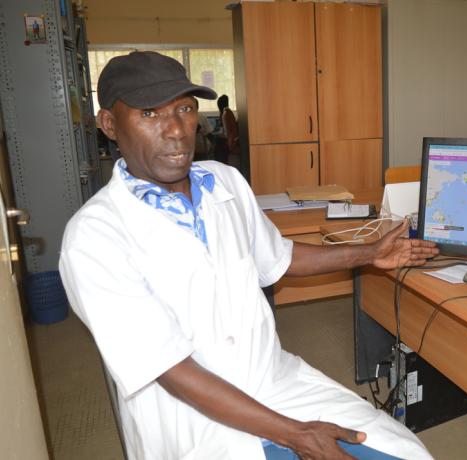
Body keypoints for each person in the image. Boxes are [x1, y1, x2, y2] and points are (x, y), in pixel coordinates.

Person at [59, 51, 438, 460]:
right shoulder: (94, 236)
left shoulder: (225, 182)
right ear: (110, 125)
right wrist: (296, 435)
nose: (176, 130)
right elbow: (171, 370)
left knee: (409, 452)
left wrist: (370, 253)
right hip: (190, 422)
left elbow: (281, 258)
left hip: (274, 384)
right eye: (149, 114)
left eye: (185, 109)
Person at [216, 94, 240, 169]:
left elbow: (230, 131)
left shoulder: (226, 113)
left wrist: (230, 145)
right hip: (231, 141)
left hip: (231, 142)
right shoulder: (226, 112)